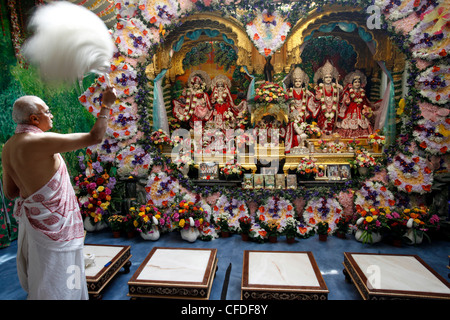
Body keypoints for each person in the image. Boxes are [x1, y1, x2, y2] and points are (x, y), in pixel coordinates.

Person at [2, 86, 117, 300]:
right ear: (34, 119)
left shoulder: (8, 146)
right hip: (56, 226)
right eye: (47, 111)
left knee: (44, 275)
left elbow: (10, 192)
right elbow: (95, 136)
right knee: (62, 276)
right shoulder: (39, 141)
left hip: (34, 224)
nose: (51, 114)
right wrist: (107, 104)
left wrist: (35, 188)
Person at [284, 67, 316, 153]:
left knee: (303, 130)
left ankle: (302, 145)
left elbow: (314, 99)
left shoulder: (305, 91)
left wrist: (310, 95)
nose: (297, 83)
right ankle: (293, 145)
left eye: (299, 81)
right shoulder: (289, 91)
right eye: (296, 81)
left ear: (302, 82)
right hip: (293, 113)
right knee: (293, 128)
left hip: (302, 112)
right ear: (293, 82)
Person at [335, 70, 374, 138]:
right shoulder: (349, 92)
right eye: (355, 82)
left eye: (359, 82)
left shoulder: (362, 92)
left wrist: (366, 108)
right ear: (351, 84)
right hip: (351, 110)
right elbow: (344, 102)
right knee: (349, 124)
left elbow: (365, 102)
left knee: (363, 123)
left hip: (360, 110)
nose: (357, 83)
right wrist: (347, 102)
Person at [313, 60, 343, 136]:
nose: (328, 79)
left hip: (333, 107)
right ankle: (322, 136)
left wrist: (340, 88)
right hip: (323, 108)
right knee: (323, 123)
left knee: (332, 122)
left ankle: (331, 135)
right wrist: (317, 97)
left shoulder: (334, 86)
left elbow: (340, 94)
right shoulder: (320, 87)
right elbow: (316, 99)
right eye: (326, 77)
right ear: (323, 78)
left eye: (330, 77)